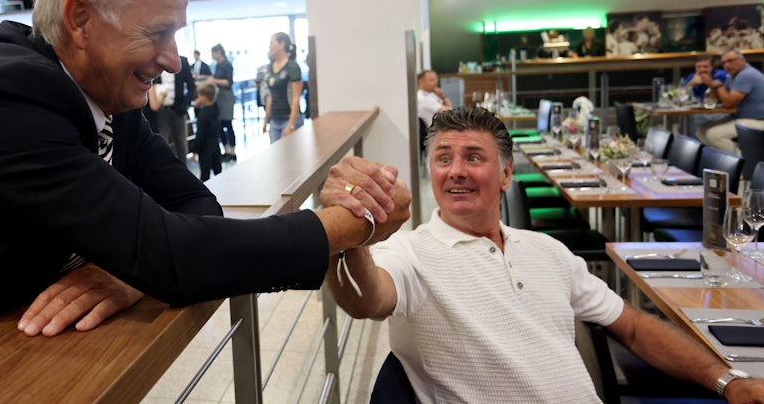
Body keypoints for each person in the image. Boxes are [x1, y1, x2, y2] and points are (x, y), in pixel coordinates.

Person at [0, 0, 412, 358]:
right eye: (157, 33)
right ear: (80, 19)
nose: (173, 60)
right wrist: (350, 224)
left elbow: (195, 205)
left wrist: (130, 271)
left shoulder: (102, 90)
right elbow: (176, 257)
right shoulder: (2, 98)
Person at [325, 105, 764, 402]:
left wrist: (726, 380)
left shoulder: (548, 250)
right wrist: (348, 231)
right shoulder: (410, 252)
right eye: (443, 159)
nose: (456, 171)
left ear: (506, 174)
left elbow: (631, 325)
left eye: (473, 157)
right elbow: (366, 299)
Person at [696, 48, 764, 152]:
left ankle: (743, 160)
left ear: (742, 60)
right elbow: (715, 100)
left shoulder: (746, 75)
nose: (727, 65)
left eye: (730, 61)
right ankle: (720, 158)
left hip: (759, 120)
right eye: (724, 63)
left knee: (713, 135)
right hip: (742, 118)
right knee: (701, 131)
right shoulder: (732, 77)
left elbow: (729, 103)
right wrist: (712, 85)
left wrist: (718, 85)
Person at [151, 55, 195, 163]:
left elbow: (191, 86)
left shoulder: (182, 61)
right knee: (162, 142)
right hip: (160, 110)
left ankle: (183, 170)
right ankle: (164, 170)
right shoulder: (156, 61)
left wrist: (184, 106)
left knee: (181, 143)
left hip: (178, 110)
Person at [197, 44, 236, 162]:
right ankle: (226, 150)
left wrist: (213, 80)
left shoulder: (227, 65)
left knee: (228, 124)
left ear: (219, 52)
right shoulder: (218, 65)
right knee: (221, 124)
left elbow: (228, 82)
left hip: (226, 96)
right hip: (219, 96)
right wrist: (205, 77)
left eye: (213, 53)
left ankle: (232, 151)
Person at [263, 32, 304, 143]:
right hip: (275, 120)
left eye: (272, 43)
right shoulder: (270, 66)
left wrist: (291, 125)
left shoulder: (292, 67)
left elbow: (296, 98)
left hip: (289, 119)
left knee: (289, 152)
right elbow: (271, 95)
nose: (270, 46)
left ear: (282, 44)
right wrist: (266, 120)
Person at [681, 54, 729, 138]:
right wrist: (691, 83)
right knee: (686, 119)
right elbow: (680, 97)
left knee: (696, 119)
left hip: (718, 111)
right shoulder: (692, 77)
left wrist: (710, 83)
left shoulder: (721, 75)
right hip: (697, 110)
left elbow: (722, 98)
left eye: (705, 66)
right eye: (699, 67)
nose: (702, 70)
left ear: (712, 67)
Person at [192, 81, 221, 182]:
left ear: (203, 97)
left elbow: (200, 134)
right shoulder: (216, 108)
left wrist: (195, 151)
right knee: (218, 172)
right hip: (215, 145)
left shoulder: (203, 115)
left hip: (205, 149)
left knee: (205, 174)